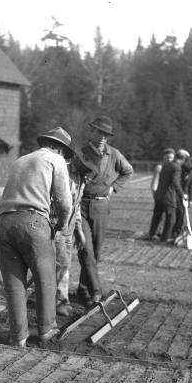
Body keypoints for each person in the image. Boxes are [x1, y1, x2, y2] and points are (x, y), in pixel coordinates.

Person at [0, 126, 73, 348]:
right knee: (45, 278)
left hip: (3, 224)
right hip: (34, 222)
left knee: (14, 284)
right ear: (59, 148)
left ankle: (18, 336)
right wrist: (62, 225)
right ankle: (47, 329)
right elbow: (64, 200)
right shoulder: (56, 160)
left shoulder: (21, 160)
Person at [76, 115, 134, 305]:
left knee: (97, 253)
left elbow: (128, 170)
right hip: (81, 206)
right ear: (91, 131)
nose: (102, 137)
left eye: (106, 134)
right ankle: (96, 291)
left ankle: (83, 290)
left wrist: (113, 187)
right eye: (99, 132)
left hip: (102, 207)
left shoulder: (114, 154)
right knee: (86, 250)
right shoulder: (81, 152)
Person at [54, 153, 89, 317]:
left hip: (69, 228)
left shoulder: (82, 178)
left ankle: (60, 299)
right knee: (60, 263)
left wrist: (79, 229)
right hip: (58, 227)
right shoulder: (65, 174)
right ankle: (58, 301)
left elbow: (77, 205)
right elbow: (60, 203)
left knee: (64, 264)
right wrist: (60, 228)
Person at [148, 149, 186, 244]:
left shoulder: (165, 166)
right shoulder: (176, 167)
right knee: (171, 218)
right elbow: (175, 182)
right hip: (168, 197)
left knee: (157, 216)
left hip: (159, 196)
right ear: (182, 160)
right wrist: (182, 195)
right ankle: (164, 238)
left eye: (171, 157)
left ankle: (152, 234)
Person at [143, 148, 175, 241]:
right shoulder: (160, 168)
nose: (169, 159)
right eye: (168, 157)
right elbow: (154, 182)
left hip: (168, 196)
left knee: (164, 216)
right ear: (164, 157)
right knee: (158, 215)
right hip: (160, 196)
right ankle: (153, 233)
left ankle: (158, 232)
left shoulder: (172, 168)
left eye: (171, 158)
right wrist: (154, 193)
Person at [173, 153, 192, 240]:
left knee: (183, 213)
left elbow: (190, 186)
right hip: (176, 193)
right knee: (178, 213)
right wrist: (181, 193)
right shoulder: (180, 168)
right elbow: (176, 182)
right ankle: (173, 231)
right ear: (189, 163)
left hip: (184, 195)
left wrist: (190, 199)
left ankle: (178, 230)